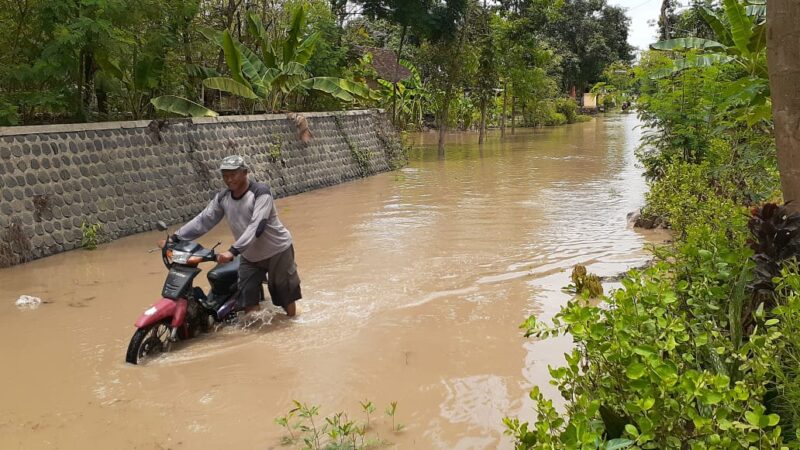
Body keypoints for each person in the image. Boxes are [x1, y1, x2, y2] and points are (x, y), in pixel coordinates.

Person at [166, 155, 301, 317]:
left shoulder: (261, 193)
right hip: (249, 255)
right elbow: (204, 220)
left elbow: (256, 227)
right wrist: (175, 238)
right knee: (247, 299)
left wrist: (233, 251)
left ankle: (291, 324)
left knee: (285, 296)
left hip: (277, 251)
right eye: (225, 176)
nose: (229, 180)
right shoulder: (223, 197)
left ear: (245, 172)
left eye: (233, 174)